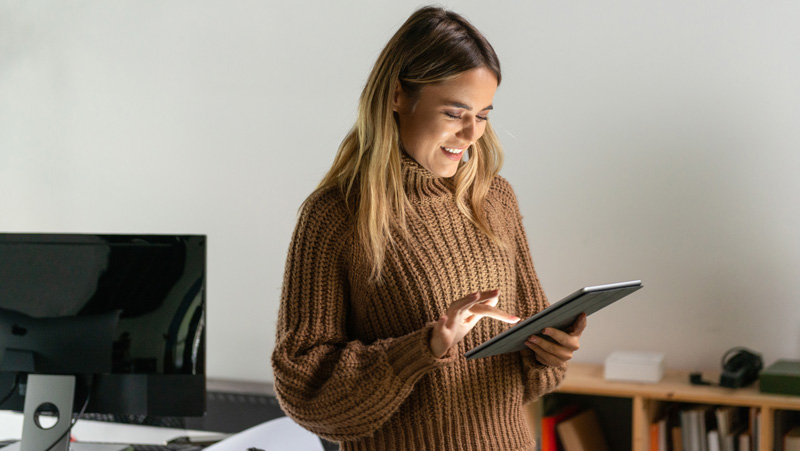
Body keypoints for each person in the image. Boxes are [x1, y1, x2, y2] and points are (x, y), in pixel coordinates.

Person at [271, 6, 587, 450]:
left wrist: (549, 355)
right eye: (455, 113)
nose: (470, 134)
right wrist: (425, 348)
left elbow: (531, 380)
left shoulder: (495, 198)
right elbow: (305, 388)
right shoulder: (336, 216)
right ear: (398, 95)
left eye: (483, 115)